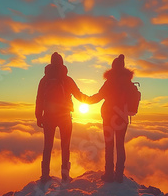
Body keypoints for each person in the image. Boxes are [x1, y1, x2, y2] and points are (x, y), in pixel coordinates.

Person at [35, 52, 88, 183]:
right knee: (65, 146)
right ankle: (65, 176)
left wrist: (38, 116)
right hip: (65, 117)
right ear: (62, 63)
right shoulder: (67, 79)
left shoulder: (44, 80)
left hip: (48, 117)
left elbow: (39, 99)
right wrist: (94, 99)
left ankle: (45, 176)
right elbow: (78, 95)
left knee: (47, 147)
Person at [87, 54, 134, 183]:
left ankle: (109, 174)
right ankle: (119, 175)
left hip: (108, 117)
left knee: (109, 145)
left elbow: (99, 96)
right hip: (122, 118)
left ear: (113, 67)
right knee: (120, 145)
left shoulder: (110, 81)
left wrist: (85, 100)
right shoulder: (127, 82)